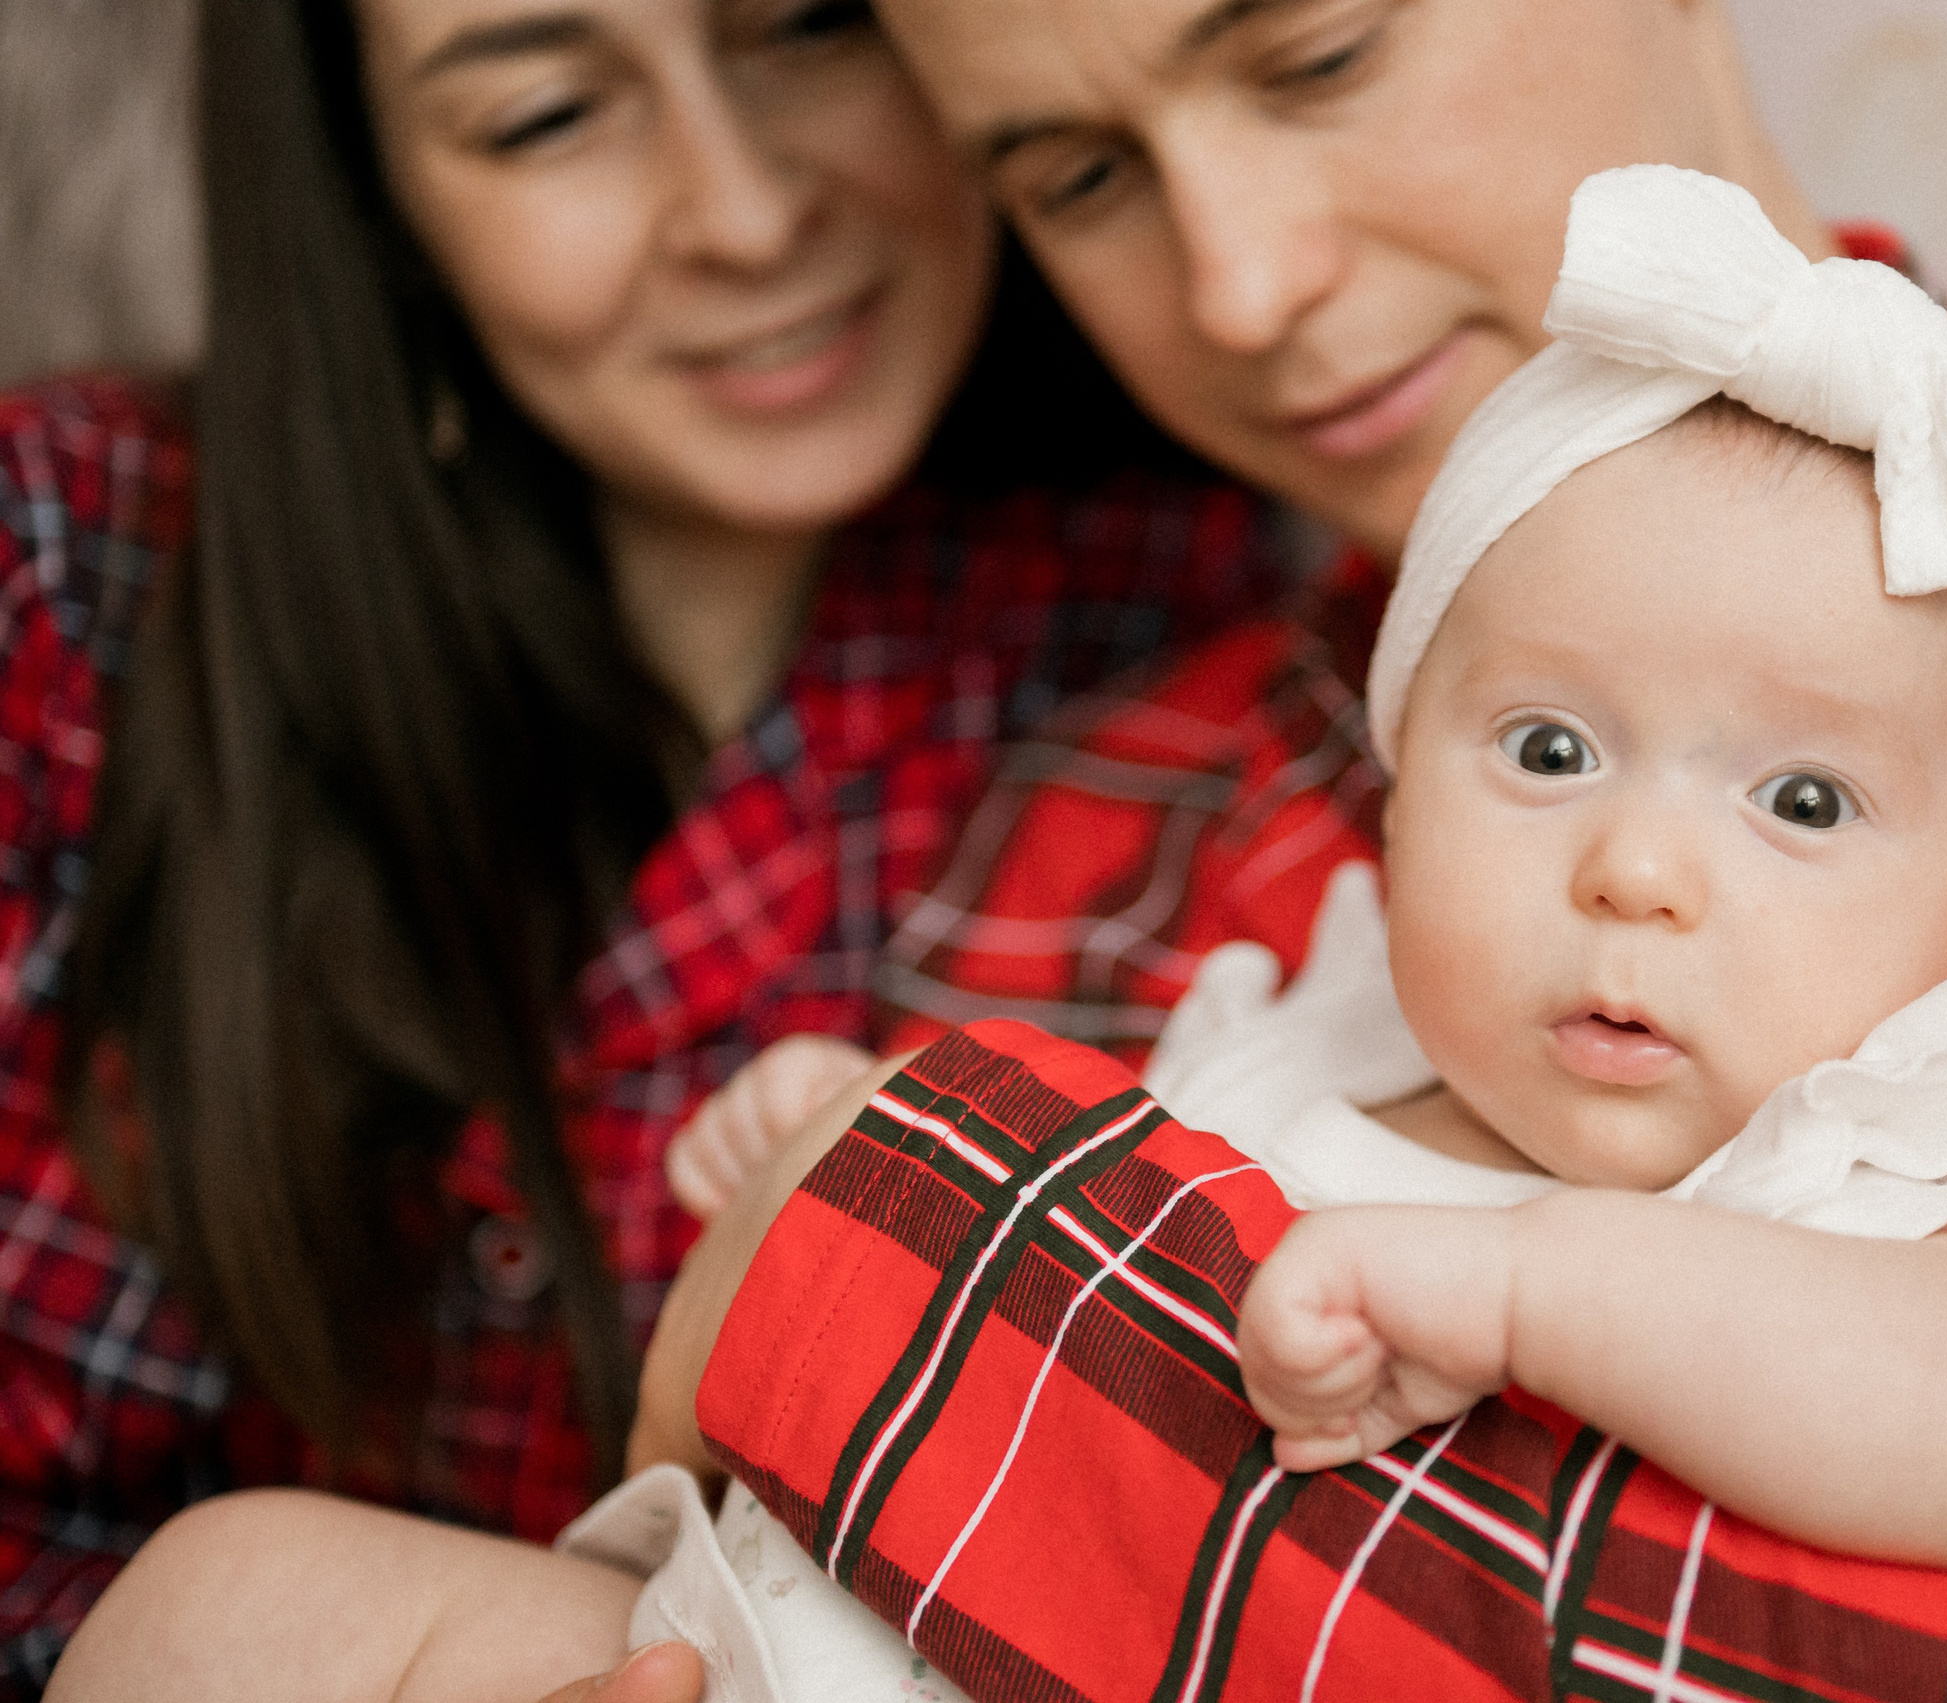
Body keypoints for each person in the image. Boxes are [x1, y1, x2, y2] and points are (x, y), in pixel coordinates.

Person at [625, 1, 1947, 1698]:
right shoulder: (1090, 825)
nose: (1236, 286)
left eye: (1316, 50)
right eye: (1079, 176)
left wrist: (879, 1257)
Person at [47, 166, 1947, 1702]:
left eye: (1797, 803)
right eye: (1540, 747)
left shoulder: (1858, 1165)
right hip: (747, 1643)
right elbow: (984, 1259)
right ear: (1395, 778)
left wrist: (1528, 1284)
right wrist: (853, 1134)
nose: (1634, 871)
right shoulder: (1297, 1022)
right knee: (222, 1602)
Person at [0, 0, 1289, 1688]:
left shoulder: (1203, 638)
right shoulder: (63, 576)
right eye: (545, 117)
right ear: (380, 192)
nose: (746, 212)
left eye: (808, 28)